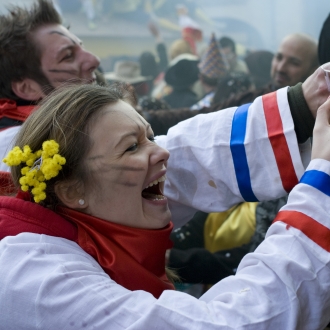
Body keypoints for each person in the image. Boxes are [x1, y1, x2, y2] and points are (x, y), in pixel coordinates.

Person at [1, 62, 330, 328]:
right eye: (132, 146)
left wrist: (304, 104)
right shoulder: (38, 281)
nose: (162, 154)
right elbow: (224, 325)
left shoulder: (83, 203)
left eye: (150, 136)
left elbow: (192, 158)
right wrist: (322, 191)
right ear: (72, 190)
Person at [0, 0, 100, 171]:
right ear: (27, 88)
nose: (94, 60)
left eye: (81, 47)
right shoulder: (18, 147)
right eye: (68, 56)